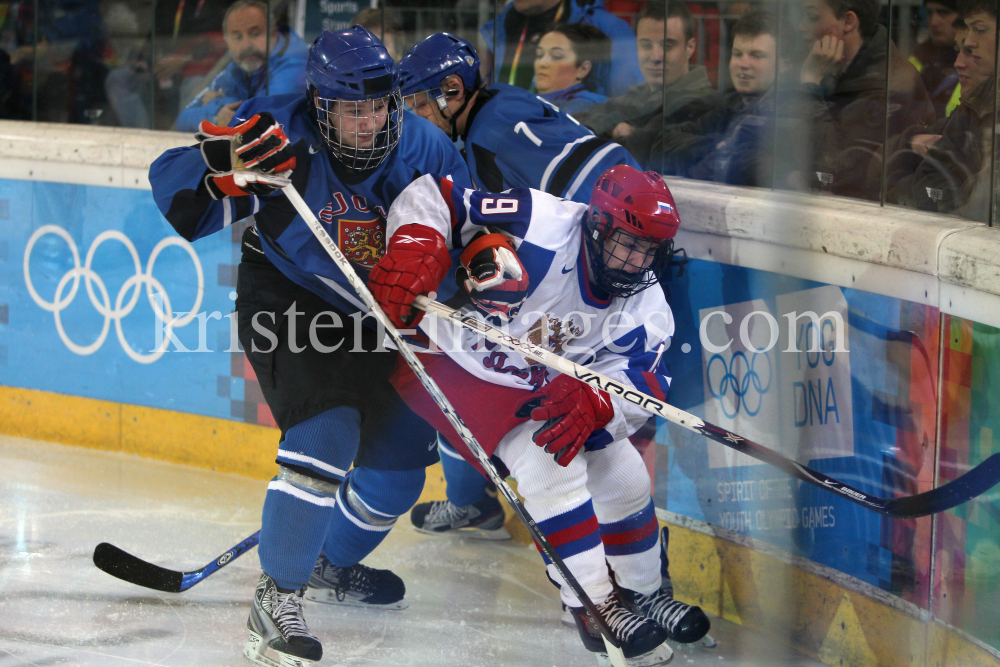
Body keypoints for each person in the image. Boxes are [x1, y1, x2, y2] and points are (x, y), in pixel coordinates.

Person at [148, 26, 473, 667]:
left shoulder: (428, 147)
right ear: (321, 104)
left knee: (399, 469)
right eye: (352, 108)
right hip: (290, 296)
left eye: (379, 105)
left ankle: (323, 564)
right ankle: (277, 597)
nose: (367, 120)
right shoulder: (279, 129)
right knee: (328, 429)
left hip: (379, 309)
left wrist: (465, 264)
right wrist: (227, 165)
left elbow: (471, 232)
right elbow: (176, 191)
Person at [369, 165, 699, 665]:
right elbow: (435, 195)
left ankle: (643, 592)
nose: (635, 263)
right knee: (548, 462)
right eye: (627, 245)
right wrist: (416, 243)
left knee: (624, 470)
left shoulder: (647, 301)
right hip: (454, 364)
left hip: (534, 383)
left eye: (648, 251)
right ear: (597, 226)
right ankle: (593, 603)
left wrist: (602, 401)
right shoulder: (542, 223)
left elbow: (647, 382)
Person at [399, 32, 640, 201]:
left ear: (454, 88)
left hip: (622, 221)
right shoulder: (502, 96)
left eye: (421, 105)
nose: (419, 118)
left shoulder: (491, 136)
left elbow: (579, 195)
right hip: (635, 187)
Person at [656, 11, 830, 189]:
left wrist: (723, 151)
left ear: (784, 64)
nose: (743, 64)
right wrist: (716, 144)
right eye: (738, 54)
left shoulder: (790, 111)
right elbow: (665, 141)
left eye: (757, 55)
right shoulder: (728, 105)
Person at [797, 0, 935, 200]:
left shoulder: (887, 83)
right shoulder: (820, 63)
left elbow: (840, 169)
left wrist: (809, 85)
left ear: (848, 21)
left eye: (812, 17)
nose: (801, 26)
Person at [573, 0, 718, 171]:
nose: (656, 56)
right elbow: (577, 124)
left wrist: (623, 133)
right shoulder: (635, 96)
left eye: (667, 46)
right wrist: (614, 127)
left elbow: (643, 150)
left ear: (690, 47)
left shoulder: (704, 103)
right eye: (646, 45)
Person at [176, 0, 309, 132]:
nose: (246, 45)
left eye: (255, 34)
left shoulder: (295, 65)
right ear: (227, 41)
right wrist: (216, 114)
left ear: (273, 34)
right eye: (237, 37)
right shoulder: (240, 66)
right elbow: (183, 118)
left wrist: (219, 101)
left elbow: (264, 123)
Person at [479, 0, 642, 97]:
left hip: (573, 145)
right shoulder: (504, 24)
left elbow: (625, 105)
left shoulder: (607, 27)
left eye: (556, 55)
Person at [534, 23, 610, 116]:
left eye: (556, 56)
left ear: (583, 69)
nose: (542, 63)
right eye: (539, 55)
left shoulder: (587, 109)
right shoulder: (529, 101)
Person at [909, 0, 960, 119]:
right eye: (929, 13)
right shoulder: (920, 56)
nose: (933, 22)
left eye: (943, 13)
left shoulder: (986, 63)